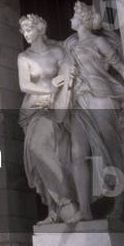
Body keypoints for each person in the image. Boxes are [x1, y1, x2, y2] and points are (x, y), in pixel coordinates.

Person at [62, 1, 124, 220]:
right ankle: (85, 210)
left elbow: (120, 67)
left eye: (73, 15)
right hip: (79, 102)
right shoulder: (70, 46)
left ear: (82, 19)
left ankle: (123, 205)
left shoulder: (98, 42)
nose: (70, 19)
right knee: (79, 153)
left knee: (113, 151)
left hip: (101, 97)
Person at [17, 14, 79, 224]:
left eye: (29, 29)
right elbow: (24, 85)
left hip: (54, 110)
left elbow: (70, 72)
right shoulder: (24, 57)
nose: (25, 34)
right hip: (32, 110)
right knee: (38, 152)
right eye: (23, 31)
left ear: (40, 29)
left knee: (56, 154)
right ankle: (58, 207)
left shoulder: (57, 52)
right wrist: (49, 88)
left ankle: (65, 204)